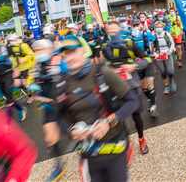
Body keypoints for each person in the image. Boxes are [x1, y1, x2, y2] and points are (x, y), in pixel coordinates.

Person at [53, 36, 139, 182]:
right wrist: (71, 131)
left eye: (72, 52)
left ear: (81, 51)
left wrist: (109, 122)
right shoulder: (62, 83)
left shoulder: (102, 73)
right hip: (89, 153)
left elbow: (133, 101)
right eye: (65, 54)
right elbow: (59, 116)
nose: (70, 57)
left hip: (114, 148)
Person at [102, 20, 151, 155]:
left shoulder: (129, 44)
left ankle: (141, 139)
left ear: (120, 30)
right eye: (109, 31)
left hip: (132, 85)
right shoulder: (105, 47)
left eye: (115, 31)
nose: (112, 34)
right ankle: (126, 143)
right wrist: (110, 69)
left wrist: (133, 66)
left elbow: (147, 59)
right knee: (118, 117)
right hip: (114, 87)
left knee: (136, 115)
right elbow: (103, 65)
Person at [29, 39, 68, 182]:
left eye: (40, 50)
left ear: (49, 49)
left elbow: (69, 77)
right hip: (49, 107)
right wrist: (34, 89)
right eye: (36, 50)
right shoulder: (38, 65)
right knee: (50, 139)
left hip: (65, 105)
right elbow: (35, 84)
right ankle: (59, 167)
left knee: (73, 133)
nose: (38, 53)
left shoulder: (58, 61)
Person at [0, 32, 26, 121]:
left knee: (9, 97)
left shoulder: (5, 48)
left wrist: (16, 76)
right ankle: (20, 109)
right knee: (6, 97)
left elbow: (14, 61)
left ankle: (9, 119)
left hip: (8, 74)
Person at [152, 20, 177, 95]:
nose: (158, 28)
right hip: (159, 56)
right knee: (163, 72)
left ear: (163, 27)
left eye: (160, 27)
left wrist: (170, 51)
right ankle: (166, 86)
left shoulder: (167, 34)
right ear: (155, 28)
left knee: (170, 70)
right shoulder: (153, 35)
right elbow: (152, 45)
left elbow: (172, 43)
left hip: (167, 54)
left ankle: (172, 81)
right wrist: (154, 53)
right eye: (157, 27)